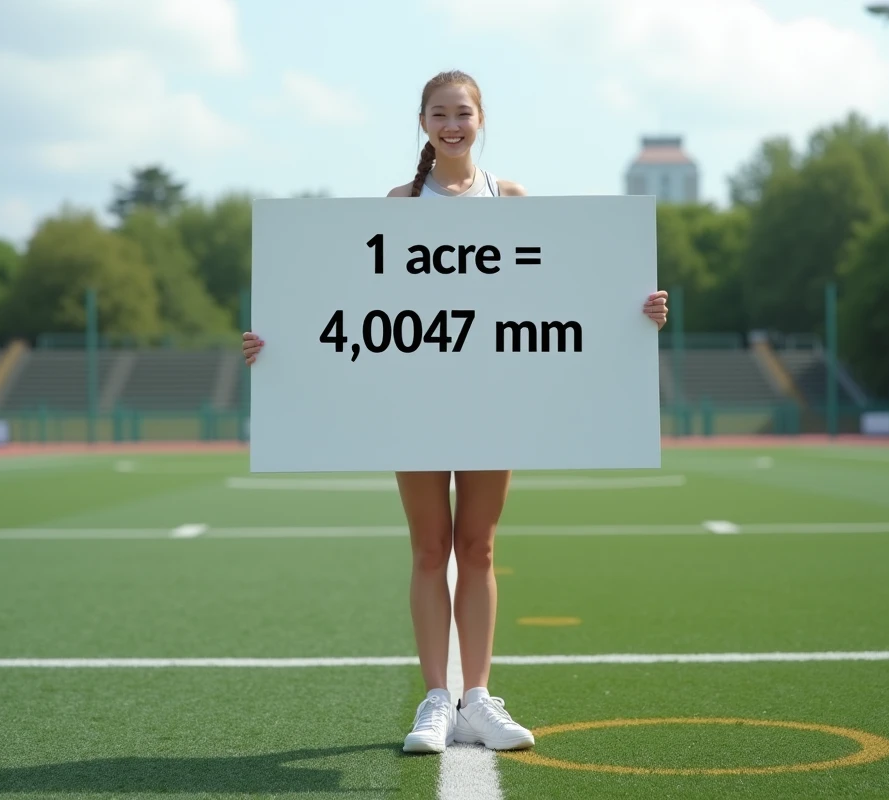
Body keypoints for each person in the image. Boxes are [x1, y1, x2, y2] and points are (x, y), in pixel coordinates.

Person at [240, 70, 669, 755]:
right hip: (412, 402)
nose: (452, 124)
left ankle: (479, 699)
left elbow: (565, 291)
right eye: (440, 113)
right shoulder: (401, 202)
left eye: (462, 113)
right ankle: (436, 699)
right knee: (428, 549)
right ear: (423, 122)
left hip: (494, 400)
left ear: (481, 119)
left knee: (479, 547)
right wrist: (279, 343)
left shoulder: (513, 198)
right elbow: (345, 302)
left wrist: (637, 310)